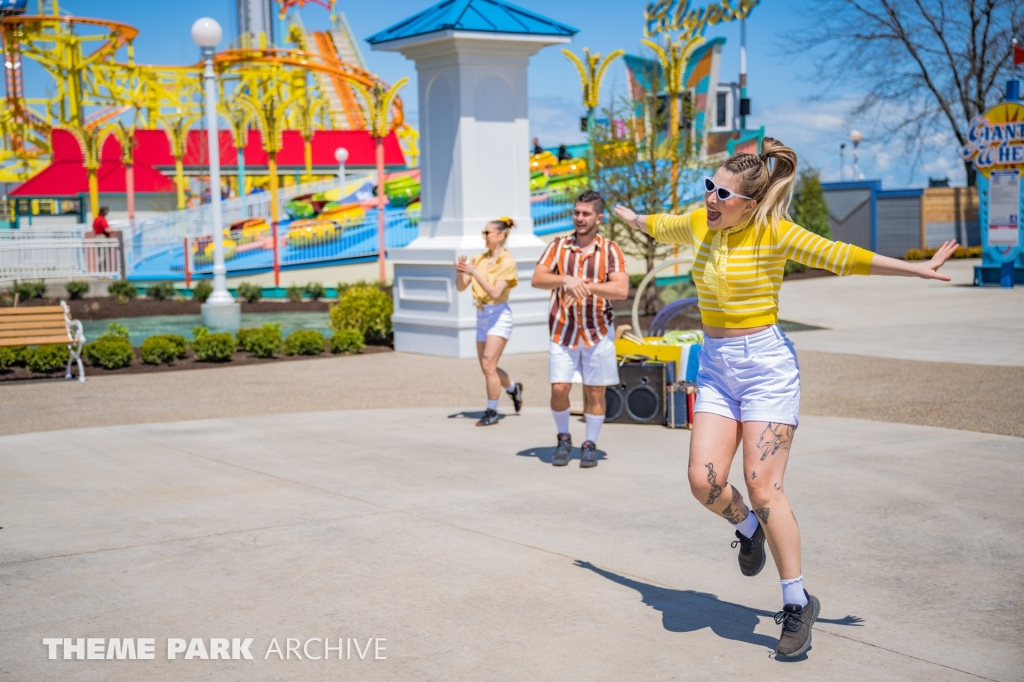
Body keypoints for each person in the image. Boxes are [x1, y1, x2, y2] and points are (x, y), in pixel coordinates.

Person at [613, 138, 958, 658]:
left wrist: (915, 268)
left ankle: (796, 603)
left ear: (748, 204)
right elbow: (663, 225)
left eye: (722, 193)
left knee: (762, 487)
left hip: (766, 369)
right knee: (701, 482)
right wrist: (636, 219)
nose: (710, 198)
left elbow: (839, 255)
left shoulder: (773, 232)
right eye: (708, 186)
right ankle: (748, 531)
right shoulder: (699, 221)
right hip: (717, 367)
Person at [532, 190, 629, 468]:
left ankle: (590, 443)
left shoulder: (610, 249)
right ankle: (564, 438)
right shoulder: (558, 246)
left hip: (598, 330)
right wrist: (566, 279)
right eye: (576, 212)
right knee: (560, 387)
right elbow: (538, 278)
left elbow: (621, 289)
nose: (579, 218)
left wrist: (584, 286)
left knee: (595, 391)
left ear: (599, 217)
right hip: (563, 330)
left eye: (586, 213)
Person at [455, 217, 524, 427]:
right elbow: (461, 287)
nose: (484, 237)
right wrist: (460, 272)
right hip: (482, 314)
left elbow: (495, 292)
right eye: (483, 233)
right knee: (488, 367)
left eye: (487, 233)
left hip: (499, 315)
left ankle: (492, 411)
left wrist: (474, 272)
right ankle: (513, 388)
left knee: (488, 364)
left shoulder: (508, 262)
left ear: (500, 236)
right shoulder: (479, 259)